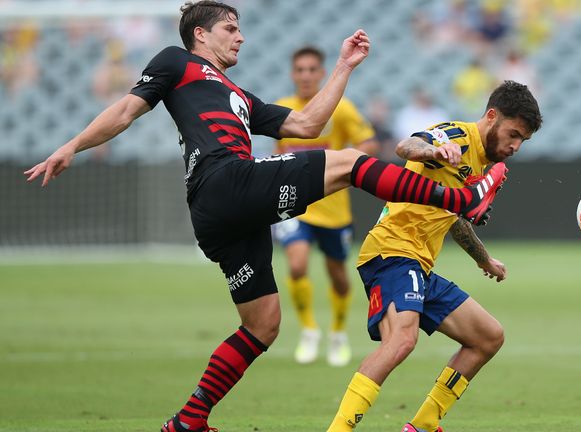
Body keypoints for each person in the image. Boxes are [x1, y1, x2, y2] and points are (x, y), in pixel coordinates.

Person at [24, 2, 508, 431]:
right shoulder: (177, 62)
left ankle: (189, 419)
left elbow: (305, 124)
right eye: (230, 27)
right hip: (224, 181)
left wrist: (343, 67)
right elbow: (127, 110)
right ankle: (463, 200)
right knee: (348, 162)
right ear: (201, 34)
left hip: (223, 217)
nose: (240, 36)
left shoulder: (237, 94)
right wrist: (72, 145)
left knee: (263, 324)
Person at [325, 81, 542, 432]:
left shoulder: (481, 165)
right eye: (513, 134)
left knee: (488, 337)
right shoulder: (454, 135)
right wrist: (433, 151)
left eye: (522, 140)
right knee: (402, 340)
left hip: (418, 265)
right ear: (491, 117)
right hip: (391, 252)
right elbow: (405, 146)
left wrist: (483, 259)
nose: (516, 146)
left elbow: (452, 214)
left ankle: (423, 426)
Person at [273, 46, 379, 367]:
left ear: (321, 74)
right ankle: (308, 330)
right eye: (300, 70)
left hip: (333, 208)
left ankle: (337, 332)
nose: (305, 76)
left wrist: (348, 166)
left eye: (311, 70)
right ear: (293, 74)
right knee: (296, 265)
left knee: (338, 276)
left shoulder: (340, 109)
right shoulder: (280, 109)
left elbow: (369, 142)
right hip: (294, 204)